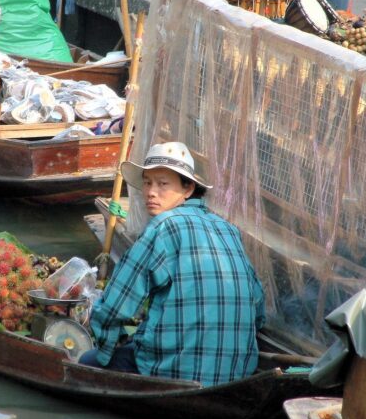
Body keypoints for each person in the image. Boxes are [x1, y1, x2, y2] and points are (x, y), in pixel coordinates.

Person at [79, 142, 266, 387]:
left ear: (188, 189)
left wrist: (109, 344)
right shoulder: (228, 229)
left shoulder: (163, 226)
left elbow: (113, 308)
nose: (151, 192)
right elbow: (258, 308)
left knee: (87, 361)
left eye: (163, 184)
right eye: (147, 182)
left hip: (172, 371)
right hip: (236, 372)